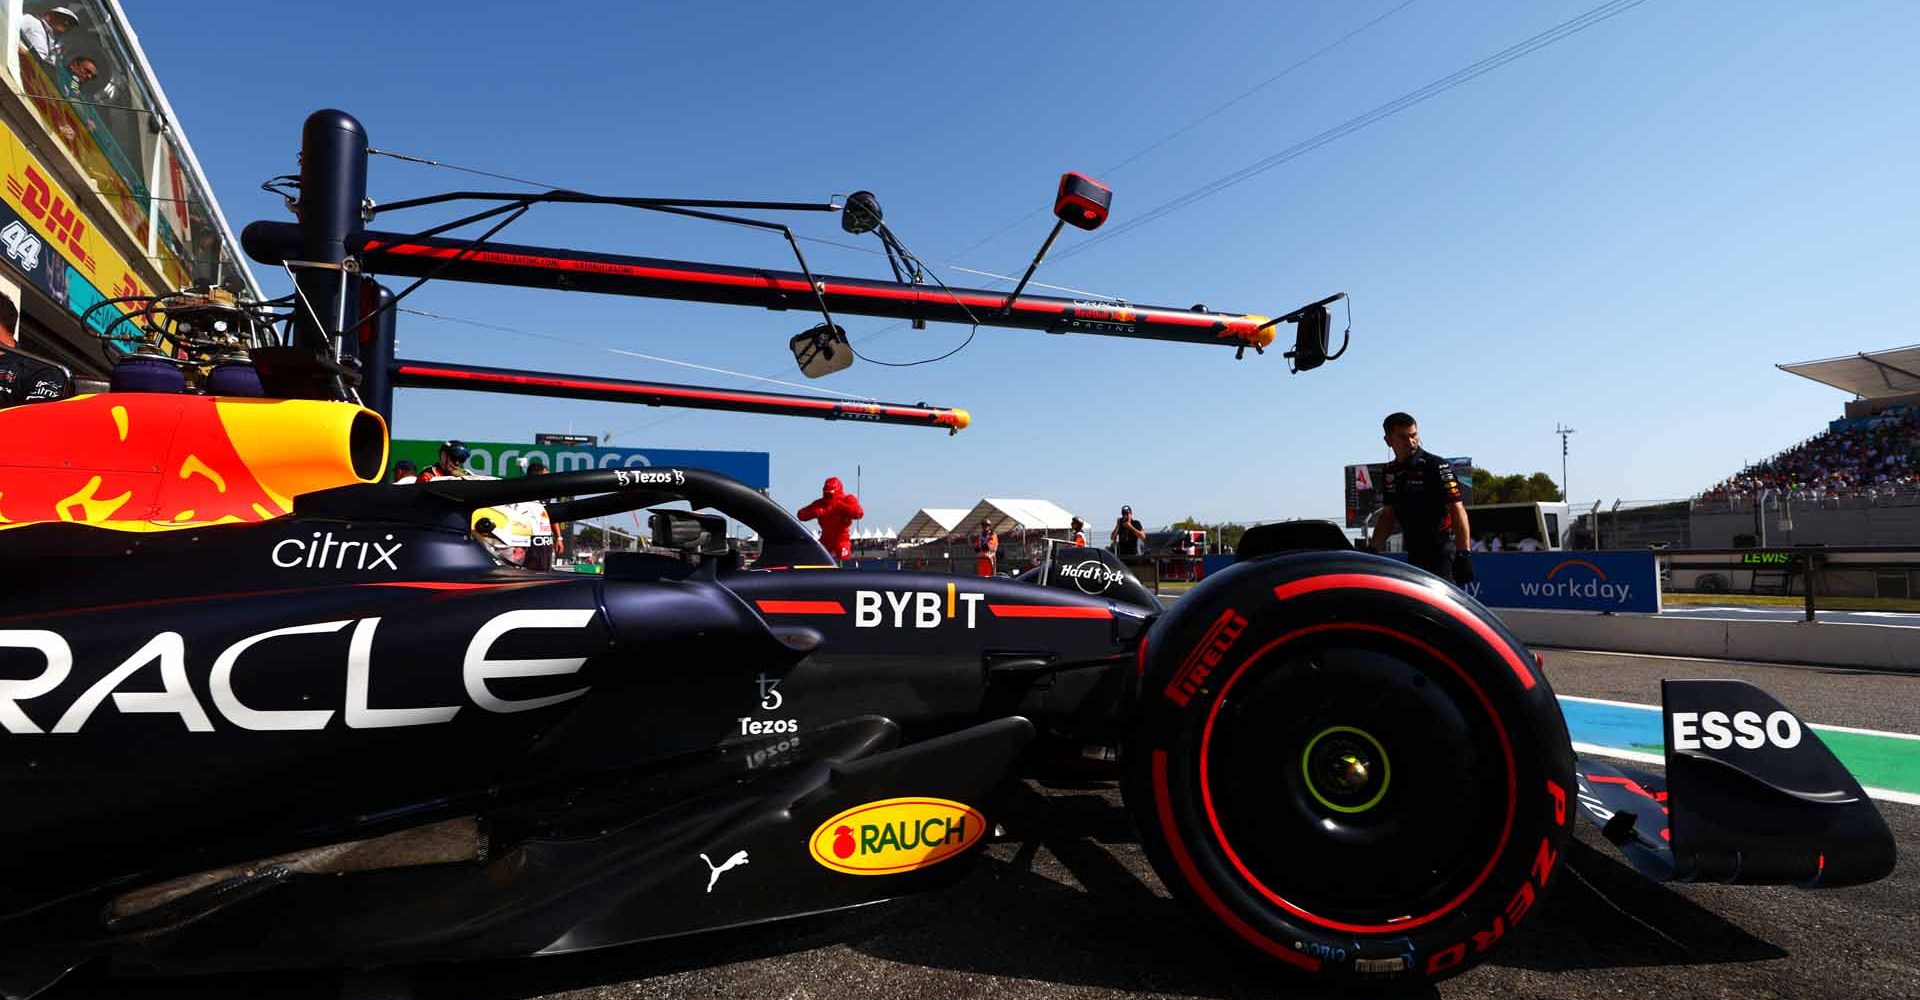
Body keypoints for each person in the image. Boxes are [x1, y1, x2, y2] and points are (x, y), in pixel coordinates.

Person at [1368, 412, 1474, 587]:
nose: (1410, 441)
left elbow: (1457, 508)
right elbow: (1388, 514)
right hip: (1414, 553)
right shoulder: (1389, 472)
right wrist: (1373, 549)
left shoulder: (1436, 465)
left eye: (1413, 435)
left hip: (1441, 552)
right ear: (1388, 440)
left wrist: (1464, 553)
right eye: (1402, 437)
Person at [797, 476, 863, 562]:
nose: (827, 497)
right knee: (816, 559)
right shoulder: (820, 504)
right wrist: (813, 512)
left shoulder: (847, 499)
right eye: (826, 494)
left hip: (842, 540)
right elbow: (801, 514)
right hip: (825, 539)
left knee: (844, 561)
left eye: (830, 494)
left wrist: (841, 507)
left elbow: (859, 513)